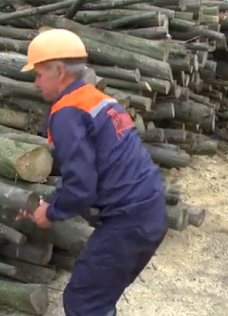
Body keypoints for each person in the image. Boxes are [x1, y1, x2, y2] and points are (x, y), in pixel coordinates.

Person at [18, 29, 168, 316]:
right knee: (95, 299)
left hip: (128, 222)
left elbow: (82, 185)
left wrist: (50, 213)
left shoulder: (66, 112)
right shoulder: (99, 100)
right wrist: (53, 202)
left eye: (38, 74)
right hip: (148, 211)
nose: (35, 83)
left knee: (84, 302)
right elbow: (88, 170)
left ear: (60, 71)